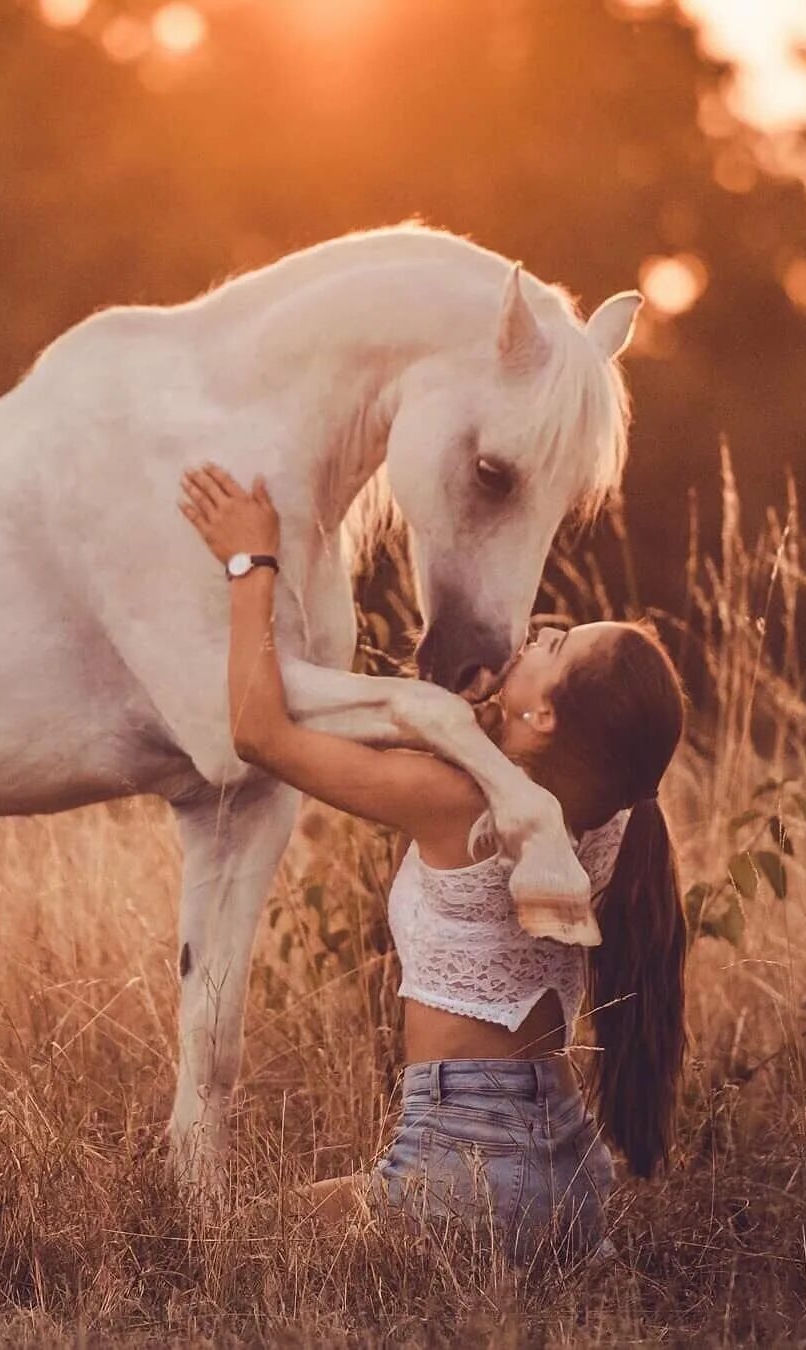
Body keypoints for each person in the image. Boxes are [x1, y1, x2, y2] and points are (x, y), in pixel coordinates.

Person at [178, 463, 687, 1265]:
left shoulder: (456, 802)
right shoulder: (620, 824)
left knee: (227, 1253)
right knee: (294, 1220)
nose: (534, 632)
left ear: (544, 713)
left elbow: (257, 733)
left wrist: (251, 564)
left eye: (552, 645)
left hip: (465, 1166)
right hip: (570, 1175)